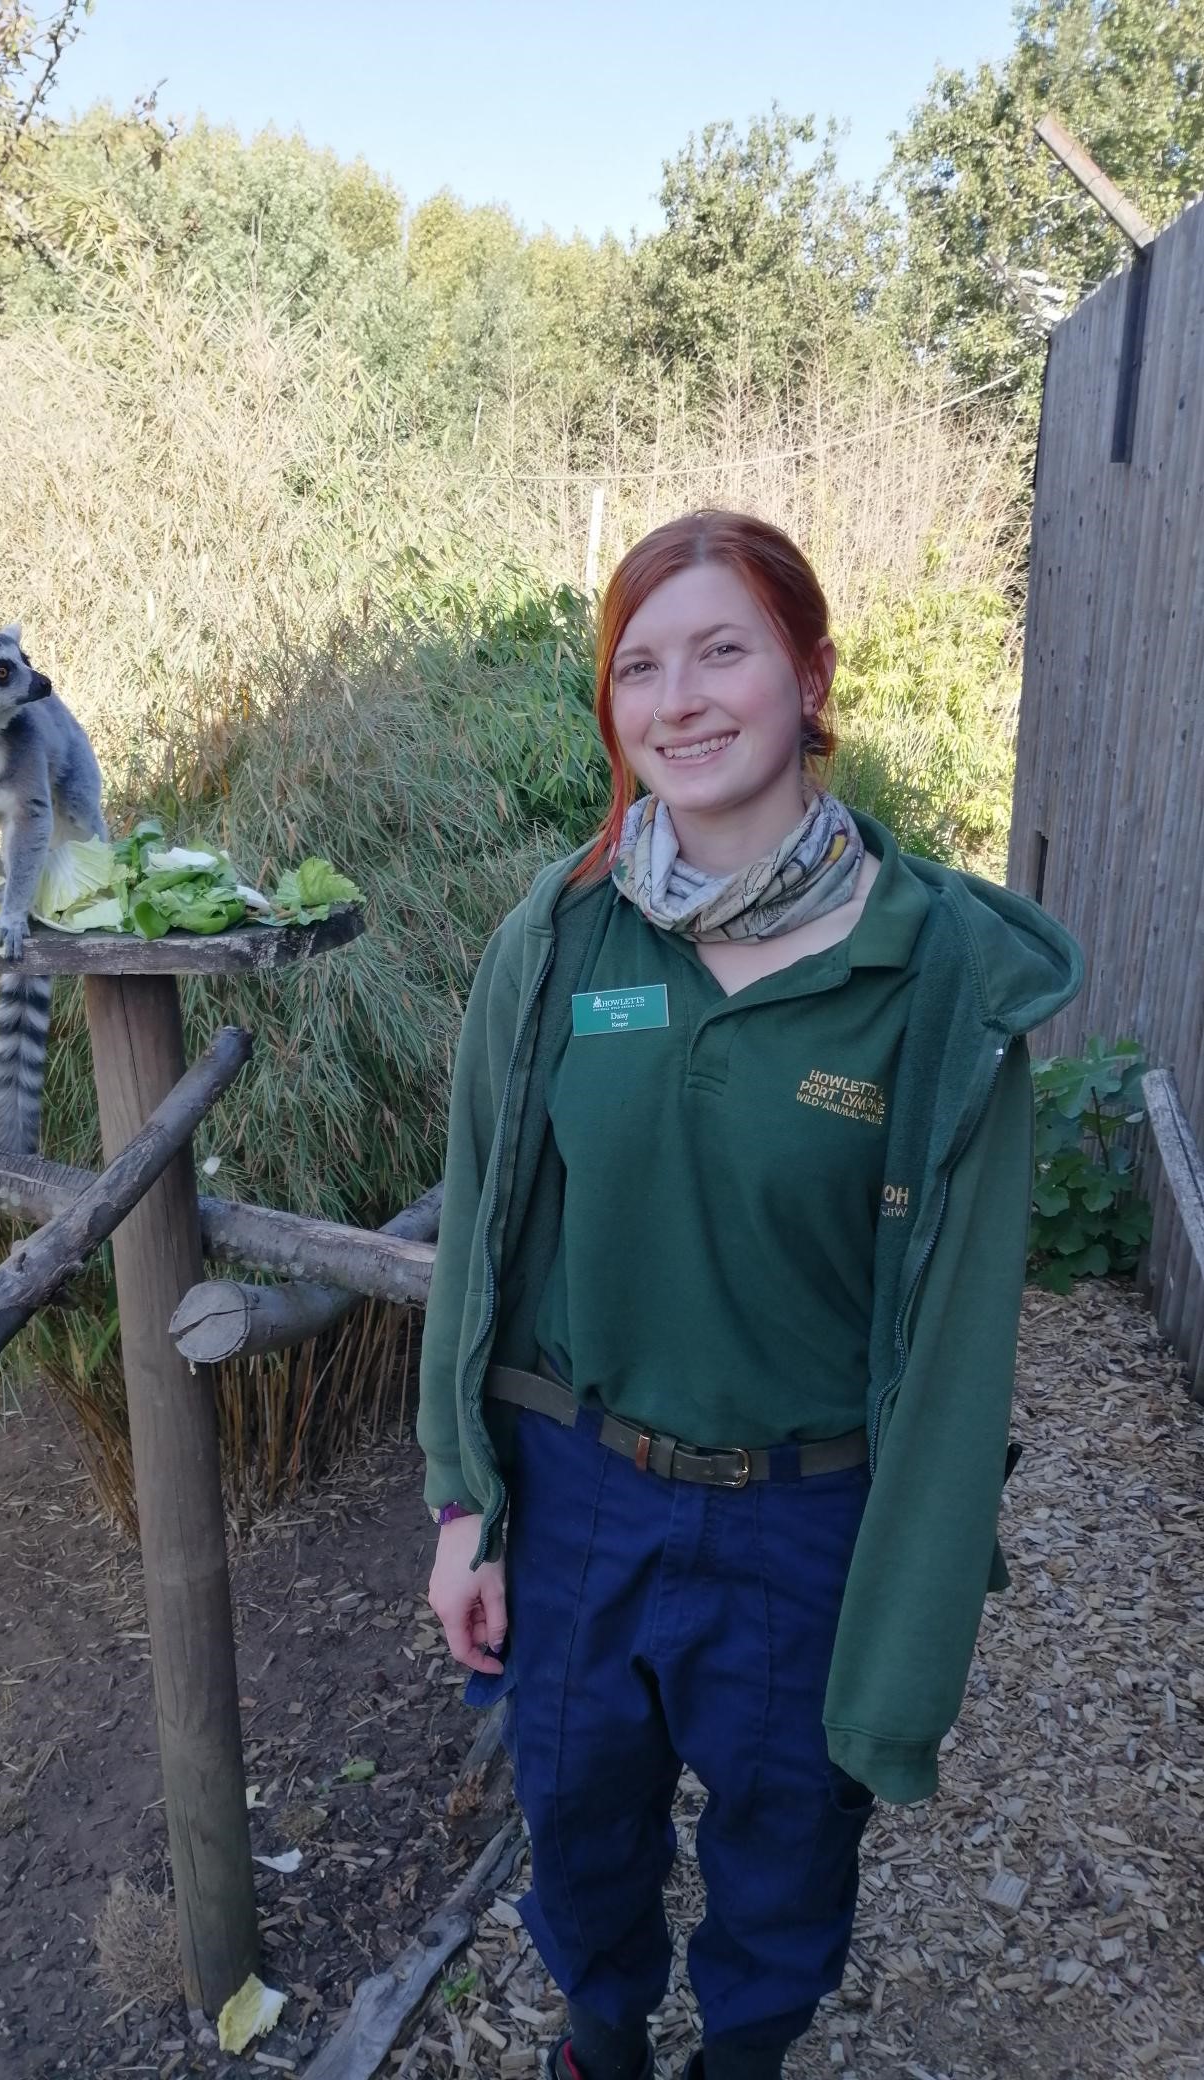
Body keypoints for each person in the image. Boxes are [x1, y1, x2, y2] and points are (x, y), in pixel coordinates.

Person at [417, 510, 1083, 2080]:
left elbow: (960, 1346)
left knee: (788, 1846)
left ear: (810, 675)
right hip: (584, 1491)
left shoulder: (936, 981)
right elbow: (482, 1243)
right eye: (639, 666)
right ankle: (599, 2042)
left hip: (807, 1513)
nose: (681, 699)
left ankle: (746, 2056)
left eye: (723, 650)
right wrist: (466, 1502)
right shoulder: (562, 939)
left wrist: (916, 1616)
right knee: (576, 1814)